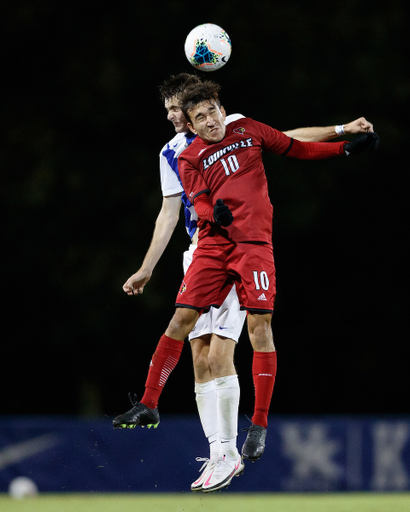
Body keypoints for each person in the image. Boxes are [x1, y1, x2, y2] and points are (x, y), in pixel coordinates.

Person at [113, 74, 378, 492]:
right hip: (201, 248)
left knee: (224, 351)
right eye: (182, 112)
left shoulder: (238, 125)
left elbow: (287, 140)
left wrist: (341, 134)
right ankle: (216, 450)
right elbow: (171, 211)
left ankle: (241, 443)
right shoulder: (175, 153)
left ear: (208, 108)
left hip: (245, 243)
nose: (170, 115)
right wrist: (147, 266)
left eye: (173, 108)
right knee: (199, 355)